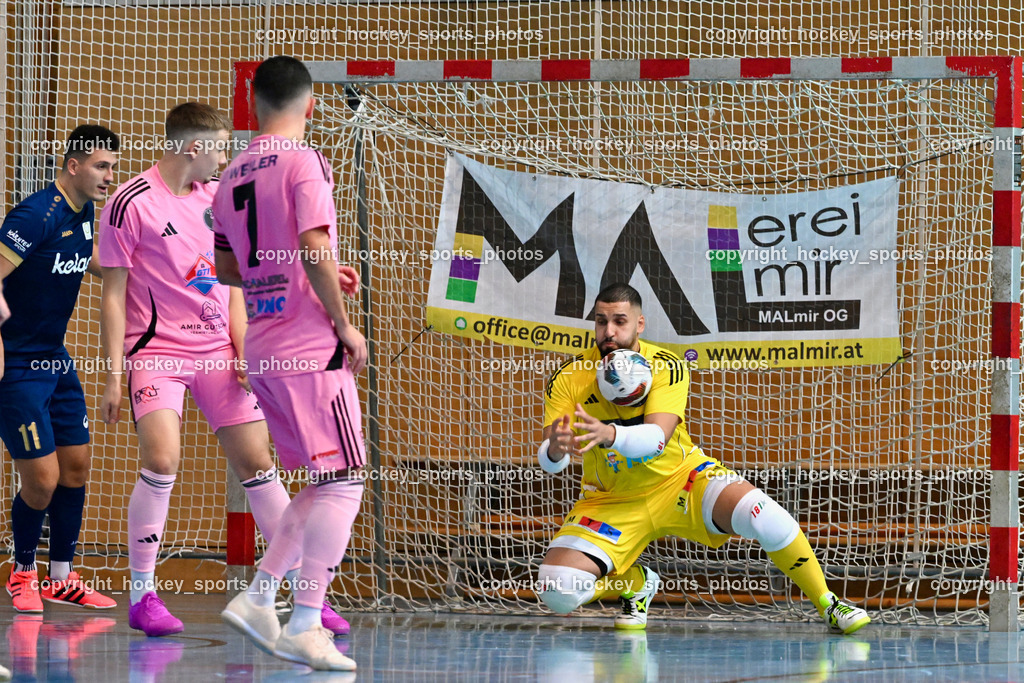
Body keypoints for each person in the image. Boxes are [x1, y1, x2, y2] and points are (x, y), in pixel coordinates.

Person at [98, 102, 354, 638]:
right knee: (162, 459)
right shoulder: (129, 203)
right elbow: (113, 294)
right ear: (193, 148)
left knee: (259, 464)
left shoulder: (218, 200)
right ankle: (143, 594)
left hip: (218, 350)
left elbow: (235, 281)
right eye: (217, 147)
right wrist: (112, 375)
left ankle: (303, 591)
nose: (223, 158)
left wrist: (241, 346)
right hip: (157, 352)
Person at [535, 282, 870, 635]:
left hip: (683, 478)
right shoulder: (570, 377)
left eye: (620, 321)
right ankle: (635, 584)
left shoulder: (666, 365)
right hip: (611, 499)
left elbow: (655, 439)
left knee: (765, 515)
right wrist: (556, 450)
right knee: (556, 591)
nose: (609, 331)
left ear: (640, 324)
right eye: (601, 321)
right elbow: (550, 460)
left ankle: (828, 602)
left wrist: (610, 434)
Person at [213, 56, 367, 672]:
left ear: (251, 103)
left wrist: (309, 279)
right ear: (310, 104)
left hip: (264, 349)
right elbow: (312, 246)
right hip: (308, 347)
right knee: (348, 479)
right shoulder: (305, 161)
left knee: (327, 482)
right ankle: (303, 619)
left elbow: (229, 270)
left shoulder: (229, 175)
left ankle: (259, 598)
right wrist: (344, 321)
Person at [0, 125, 120, 613]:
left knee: (77, 467)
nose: (110, 176)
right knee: (42, 480)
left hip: (56, 357)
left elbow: (80, 256)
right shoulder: (35, 215)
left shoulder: (83, 210)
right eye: (101, 166)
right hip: (19, 365)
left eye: (113, 167)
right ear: (73, 166)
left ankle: (61, 578)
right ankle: (23, 571)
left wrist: (135, 269)